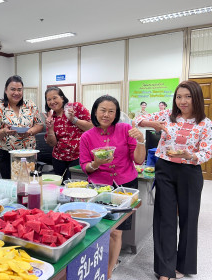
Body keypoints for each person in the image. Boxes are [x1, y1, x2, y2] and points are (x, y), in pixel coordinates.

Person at [135, 80, 212, 280]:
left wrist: (191, 156)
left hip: (190, 171)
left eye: (187, 96)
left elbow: (206, 152)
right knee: (165, 218)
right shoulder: (167, 115)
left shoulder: (205, 122)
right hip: (165, 169)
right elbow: (137, 119)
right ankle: (164, 270)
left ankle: (183, 265)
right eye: (179, 97)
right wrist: (152, 124)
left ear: (196, 98)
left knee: (189, 218)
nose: (183, 101)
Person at [79, 95, 146, 279]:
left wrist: (140, 140)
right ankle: (98, 261)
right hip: (99, 188)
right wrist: (97, 163)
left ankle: (107, 272)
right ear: (95, 111)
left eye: (111, 111)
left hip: (125, 186)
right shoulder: (86, 136)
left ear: (116, 114)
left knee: (116, 231)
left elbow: (139, 160)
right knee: (98, 228)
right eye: (102, 110)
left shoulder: (125, 129)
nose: (106, 114)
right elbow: (85, 167)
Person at [0, 75, 44, 179]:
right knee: (11, 186)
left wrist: (29, 132)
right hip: (7, 155)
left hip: (29, 154)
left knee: (29, 184)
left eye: (19, 90)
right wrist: (4, 131)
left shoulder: (30, 105)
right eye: (12, 89)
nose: (16, 93)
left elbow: (39, 125)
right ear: (6, 90)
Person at [44, 87, 92, 180]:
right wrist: (50, 128)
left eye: (55, 98)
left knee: (76, 187)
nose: (52, 102)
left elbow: (91, 127)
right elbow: (52, 144)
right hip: (59, 159)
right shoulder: (51, 117)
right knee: (61, 187)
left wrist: (74, 120)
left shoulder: (76, 107)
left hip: (79, 157)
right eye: (48, 100)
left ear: (62, 98)